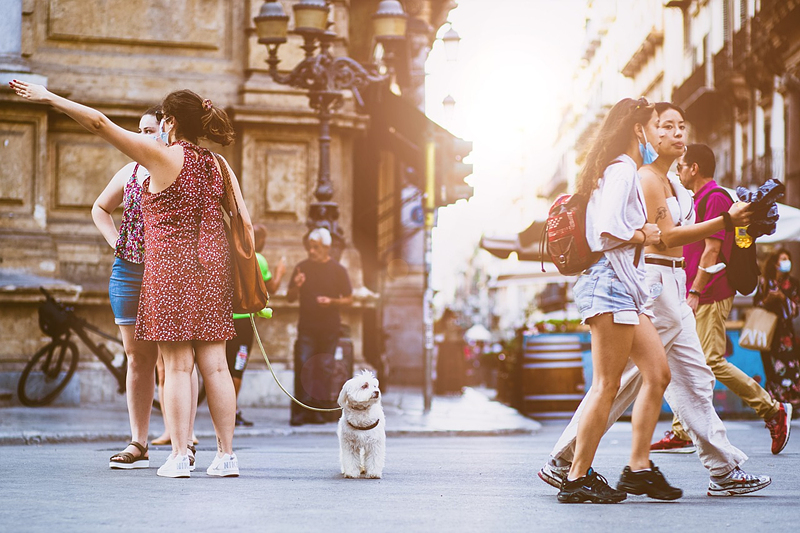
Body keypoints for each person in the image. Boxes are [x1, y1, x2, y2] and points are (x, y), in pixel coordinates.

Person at [10, 79, 247, 478]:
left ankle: (178, 457)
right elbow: (244, 223)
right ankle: (226, 457)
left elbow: (101, 124)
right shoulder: (218, 165)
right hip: (213, 270)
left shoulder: (162, 156)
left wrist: (50, 97)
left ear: (169, 121)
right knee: (217, 367)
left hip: (171, 270)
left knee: (174, 367)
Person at [541, 103, 771, 498]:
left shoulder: (672, 182)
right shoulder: (633, 173)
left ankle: (654, 468)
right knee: (618, 382)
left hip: (654, 283)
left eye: (681, 126)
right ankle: (572, 467)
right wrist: (647, 234)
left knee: (668, 376)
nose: (676, 134)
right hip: (646, 281)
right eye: (664, 126)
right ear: (641, 130)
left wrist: (735, 226)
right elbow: (642, 233)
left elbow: (670, 229)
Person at [554, 97, 680, 504]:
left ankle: (638, 469)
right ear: (637, 130)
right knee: (606, 385)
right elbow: (607, 230)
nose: (658, 135)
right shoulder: (623, 170)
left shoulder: (616, 170)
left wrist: (641, 231)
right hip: (610, 284)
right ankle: (576, 478)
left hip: (624, 287)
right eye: (654, 126)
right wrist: (646, 234)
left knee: (658, 373)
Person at [671, 143, 792, 455]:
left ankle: (772, 409)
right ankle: (681, 430)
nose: (678, 171)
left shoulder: (716, 199)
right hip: (698, 291)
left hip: (711, 291)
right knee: (683, 359)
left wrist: (696, 292)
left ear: (694, 168)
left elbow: (712, 250)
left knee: (709, 361)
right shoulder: (698, 199)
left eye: (681, 165)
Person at [92, 108, 160, 469]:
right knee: (137, 358)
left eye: (149, 130)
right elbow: (100, 208)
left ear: (168, 129)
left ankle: (186, 440)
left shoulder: (173, 169)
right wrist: (116, 242)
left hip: (166, 274)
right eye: (139, 130)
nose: (141, 136)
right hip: (128, 272)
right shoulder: (129, 171)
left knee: (173, 358)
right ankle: (139, 442)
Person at [286, 227, 353, 426]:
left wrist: (331, 301)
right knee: (304, 365)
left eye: (315, 247)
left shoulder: (338, 270)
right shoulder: (302, 267)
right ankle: (300, 412)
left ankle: (318, 411)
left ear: (326, 247)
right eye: (310, 247)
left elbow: (349, 299)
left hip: (329, 328)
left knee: (323, 368)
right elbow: (290, 298)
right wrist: (297, 285)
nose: (311, 251)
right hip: (306, 326)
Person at [225, 223, 286, 427]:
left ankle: (225, 409)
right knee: (238, 367)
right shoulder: (257, 259)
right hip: (244, 324)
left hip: (224, 319)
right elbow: (270, 289)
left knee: (223, 367)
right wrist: (280, 272)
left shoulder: (228, 255)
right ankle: (230, 411)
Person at [753, 248, 800, 417]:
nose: (786, 262)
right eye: (783, 259)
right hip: (768, 333)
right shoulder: (765, 283)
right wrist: (768, 300)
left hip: (785, 333)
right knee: (771, 368)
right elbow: (756, 304)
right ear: (775, 263)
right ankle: (774, 405)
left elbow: (795, 309)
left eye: (788, 258)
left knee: (790, 367)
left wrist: (782, 298)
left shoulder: (793, 284)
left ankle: (790, 404)